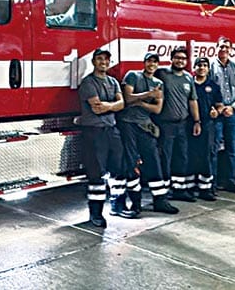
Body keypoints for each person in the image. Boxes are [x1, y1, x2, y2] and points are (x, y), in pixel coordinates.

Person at [117, 52, 179, 214]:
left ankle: (160, 200)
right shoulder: (132, 76)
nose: (152, 65)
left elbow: (157, 109)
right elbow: (127, 99)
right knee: (131, 163)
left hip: (145, 126)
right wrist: (149, 95)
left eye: (155, 62)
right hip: (128, 124)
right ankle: (135, 203)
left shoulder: (159, 83)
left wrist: (140, 102)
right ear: (144, 62)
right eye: (149, 61)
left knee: (153, 161)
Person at [77, 49, 125, 227]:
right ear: (93, 62)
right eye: (99, 59)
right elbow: (97, 108)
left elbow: (122, 104)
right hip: (94, 132)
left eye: (106, 59)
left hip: (112, 130)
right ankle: (95, 213)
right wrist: (113, 105)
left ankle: (117, 205)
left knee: (118, 169)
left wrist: (109, 106)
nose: (103, 62)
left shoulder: (113, 81)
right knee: (96, 174)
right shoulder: (88, 83)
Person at [153, 47, 201, 203]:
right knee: (165, 157)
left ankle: (180, 190)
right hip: (165, 124)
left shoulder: (188, 78)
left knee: (182, 156)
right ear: (171, 59)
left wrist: (196, 121)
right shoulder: (162, 74)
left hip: (183, 124)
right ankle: (163, 192)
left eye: (183, 58)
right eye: (177, 58)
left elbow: (192, 101)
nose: (180, 60)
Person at [209, 37, 235, 194]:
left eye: (227, 47)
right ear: (216, 48)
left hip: (231, 113)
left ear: (231, 49)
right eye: (221, 47)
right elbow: (205, 88)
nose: (224, 50)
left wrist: (234, 106)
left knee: (232, 147)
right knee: (213, 148)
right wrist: (215, 107)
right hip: (216, 114)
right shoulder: (209, 66)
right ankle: (212, 182)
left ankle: (230, 180)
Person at [189, 57, 221, 200]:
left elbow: (220, 105)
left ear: (208, 69)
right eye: (199, 65)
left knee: (206, 156)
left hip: (208, 125)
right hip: (189, 124)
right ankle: (189, 187)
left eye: (204, 65)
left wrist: (217, 112)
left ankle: (206, 189)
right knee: (189, 155)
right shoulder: (189, 84)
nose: (202, 68)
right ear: (194, 68)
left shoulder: (213, 86)